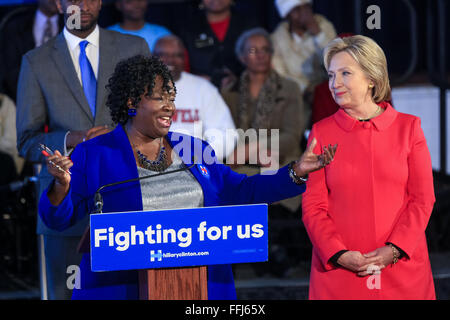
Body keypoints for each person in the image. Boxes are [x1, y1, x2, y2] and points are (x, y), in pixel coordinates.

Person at [38, 54, 336, 299]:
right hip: (120, 288)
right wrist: (61, 185)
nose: (170, 105)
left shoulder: (194, 149)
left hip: (202, 287)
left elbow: (243, 190)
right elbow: (58, 218)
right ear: (131, 103)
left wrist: (296, 172)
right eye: (158, 98)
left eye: (171, 96)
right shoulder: (95, 153)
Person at [15, 0, 151, 300]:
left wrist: (119, 135)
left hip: (129, 203)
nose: (83, 5)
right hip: (66, 207)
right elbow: (26, 140)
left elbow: (151, 119)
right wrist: (71, 138)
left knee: (136, 295)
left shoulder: (134, 48)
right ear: (59, 3)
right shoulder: (36, 61)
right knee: (67, 296)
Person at [302, 35, 436, 299]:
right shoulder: (321, 132)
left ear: (372, 78)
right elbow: (313, 207)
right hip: (340, 273)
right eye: (331, 75)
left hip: (402, 270)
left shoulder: (409, 128)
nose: (334, 84)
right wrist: (338, 254)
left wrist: (394, 250)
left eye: (345, 73)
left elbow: (422, 200)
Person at [222, 28, 307, 213]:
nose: (260, 55)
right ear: (242, 57)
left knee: (278, 178)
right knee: (229, 180)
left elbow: (292, 137)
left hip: (279, 159)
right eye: (253, 50)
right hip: (241, 164)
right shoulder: (229, 92)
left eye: (265, 49)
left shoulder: (289, 88)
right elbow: (224, 135)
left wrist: (253, 148)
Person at [153, 35, 237, 161]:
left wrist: (199, 156)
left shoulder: (203, 88)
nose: (170, 60)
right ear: (152, 57)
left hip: (195, 165)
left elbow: (226, 134)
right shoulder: (140, 89)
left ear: (185, 59)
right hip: (149, 164)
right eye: (163, 54)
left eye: (177, 55)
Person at [178, 0, 259, 88]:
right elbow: (180, 67)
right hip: (199, 91)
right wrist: (197, 80)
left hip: (245, 91)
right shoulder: (188, 29)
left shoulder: (249, 25)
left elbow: (260, 59)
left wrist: (239, 79)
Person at [271, 0, 336, 101]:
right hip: (296, 96)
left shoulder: (324, 26)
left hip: (327, 91)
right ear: (287, 15)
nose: (304, 13)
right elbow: (280, 74)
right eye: (297, 9)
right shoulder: (277, 39)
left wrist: (318, 33)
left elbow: (335, 60)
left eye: (306, 7)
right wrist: (305, 90)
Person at [0, 0, 63, 101]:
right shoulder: (13, 26)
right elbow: (8, 73)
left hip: (62, 103)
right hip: (20, 102)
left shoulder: (74, 27)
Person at [108, 0, 172, 53]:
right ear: (118, 5)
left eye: (140, 0)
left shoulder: (162, 34)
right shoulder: (108, 35)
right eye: (129, 1)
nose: (136, 5)